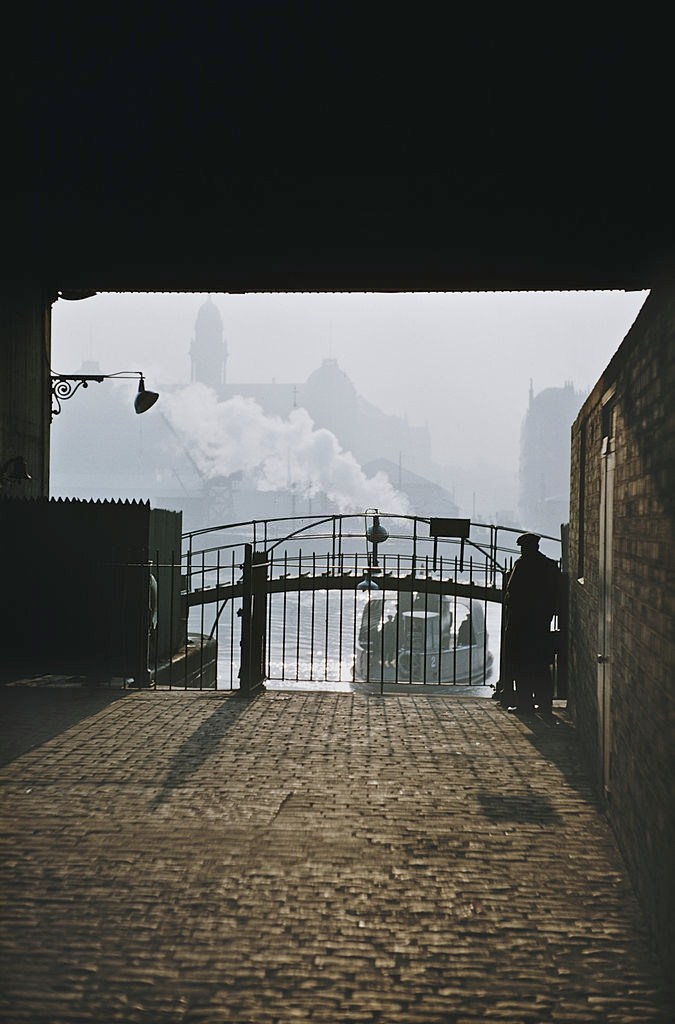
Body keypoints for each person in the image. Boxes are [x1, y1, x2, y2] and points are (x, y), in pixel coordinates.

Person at [499, 533, 562, 716]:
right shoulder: (550, 566)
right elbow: (554, 596)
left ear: (525, 548)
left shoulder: (521, 565)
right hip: (541, 625)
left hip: (521, 625)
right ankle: (544, 706)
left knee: (522, 666)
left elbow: (511, 593)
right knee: (542, 667)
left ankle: (525, 704)